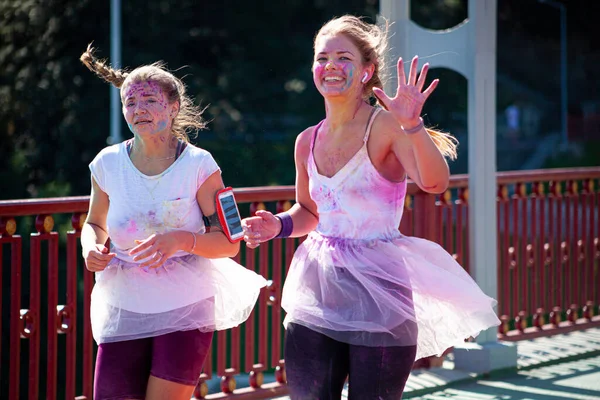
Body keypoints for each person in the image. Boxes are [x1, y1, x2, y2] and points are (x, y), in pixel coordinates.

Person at [242, 15, 500, 399]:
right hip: (319, 290)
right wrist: (276, 226)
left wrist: (412, 125)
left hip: (379, 289)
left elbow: (434, 183)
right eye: (321, 57)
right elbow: (310, 213)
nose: (330, 65)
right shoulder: (305, 140)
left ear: (367, 71)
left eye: (343, 58)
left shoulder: (387, 127)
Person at [79, 45, 266, 400]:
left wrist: (180, 240)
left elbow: (230, 242)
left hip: (185, 308)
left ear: (174, 106)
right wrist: (91, 247)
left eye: (149, 100)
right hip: (123, 303)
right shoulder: (106, 163)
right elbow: (94, 223)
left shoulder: (199, 165)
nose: (139, 110)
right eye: (130, 103)